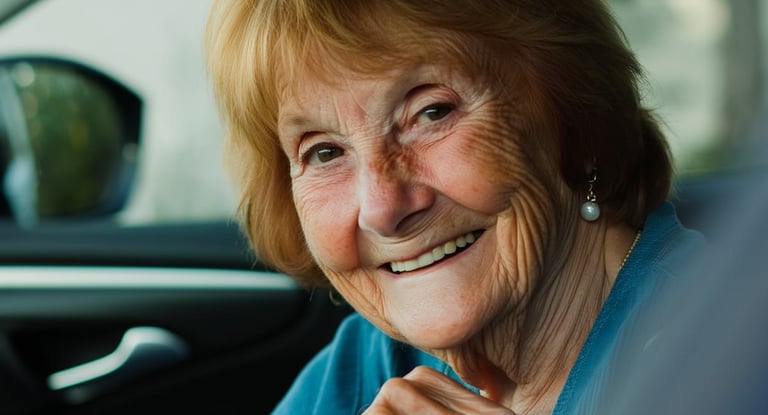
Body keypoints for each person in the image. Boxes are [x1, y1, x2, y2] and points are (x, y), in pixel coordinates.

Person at [204, 1, 703, 413]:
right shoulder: (367, 363)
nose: (381, 208)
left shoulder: (720, 342)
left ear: (578, 120)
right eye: (325, 152)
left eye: (431, 112)